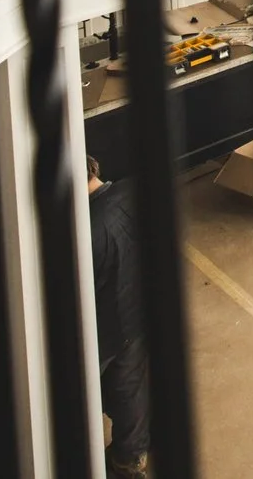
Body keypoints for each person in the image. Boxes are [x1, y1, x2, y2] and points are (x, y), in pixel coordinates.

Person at [87, 159, 150, 476]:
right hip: (137, 312)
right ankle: (131, 457)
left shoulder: (86, 230)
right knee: (130, 389)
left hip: (103, 329)